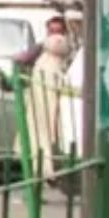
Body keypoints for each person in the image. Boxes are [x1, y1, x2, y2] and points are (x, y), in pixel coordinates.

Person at [22, 15, 75, 184]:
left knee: (55, 136)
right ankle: (43, 171)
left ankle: (50, 171)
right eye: (51, 31)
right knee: (39, 135)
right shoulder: (41, 52)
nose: (55, 36)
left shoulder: (69, 54)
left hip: (59, 100)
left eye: (59, 32)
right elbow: (23, 59)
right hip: (40, 100)